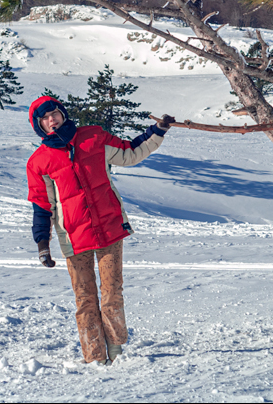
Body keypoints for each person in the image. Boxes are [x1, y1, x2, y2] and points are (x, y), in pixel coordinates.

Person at [26, 94, 174, 365]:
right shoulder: (39, 162)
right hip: (73, 237)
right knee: (85, 299)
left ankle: (116, 351)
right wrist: (42, 244)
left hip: (109, 226)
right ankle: (94, 357)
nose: (52, 120)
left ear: (63, 113)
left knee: (112, 291)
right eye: (45, 118)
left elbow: (130, 153)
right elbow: (41, 206)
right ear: (40, 126)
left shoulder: (93, 137)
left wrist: (157, 131)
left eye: (55, 113)